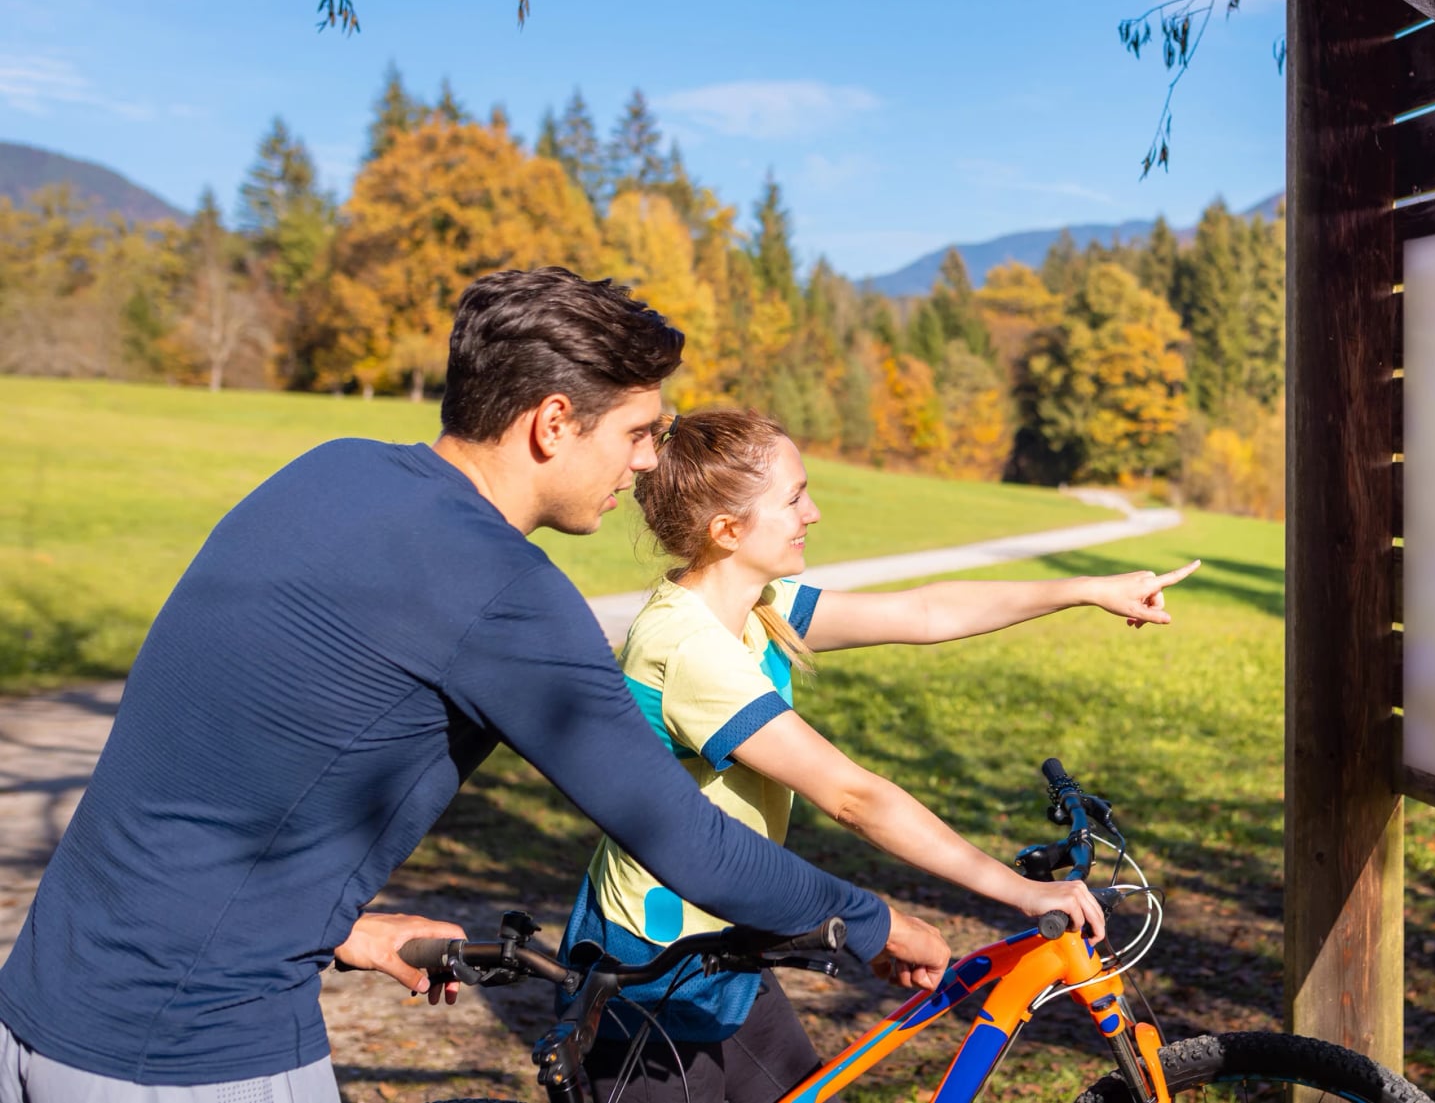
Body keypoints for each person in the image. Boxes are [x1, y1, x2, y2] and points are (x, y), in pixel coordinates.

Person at [0, 269, 947, 1103]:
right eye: (639, 431)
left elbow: (223, 772)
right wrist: (874, 918)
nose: (652, 460)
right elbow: (685, 840)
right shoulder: (506, 594)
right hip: (186, 1053)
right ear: (552, 423)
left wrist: (344, 929)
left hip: (41, 1000)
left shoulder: (329, 472)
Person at [564, 407, 1200, 1103]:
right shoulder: (688, 647)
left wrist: (1086, 590)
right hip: (654, 978)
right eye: (794, 496)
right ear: (728, 530)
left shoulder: (758, 605)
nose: (813, 510)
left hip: (726, 947)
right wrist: (1017, 890)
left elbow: (925, 612)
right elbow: (851, 797)